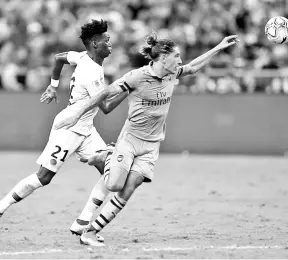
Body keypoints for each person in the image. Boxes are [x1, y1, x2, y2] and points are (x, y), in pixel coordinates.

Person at [54, 32, 240, 247]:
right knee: (114, 184)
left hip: (151, 145)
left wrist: (219, 47)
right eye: (177, 56)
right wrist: (77, 114)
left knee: (130, 187)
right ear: (163, 58)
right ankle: (107, 155)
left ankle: (92, 231)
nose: (180, 60)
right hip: (130, 140)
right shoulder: (137, 76)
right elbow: (104, 93)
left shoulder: (172, 73)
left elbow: (193, 67)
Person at [0, 20, 127, 242]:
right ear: (95, 43)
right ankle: (2, 205)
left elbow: (59, 58)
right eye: (106, 40)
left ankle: (82, 222)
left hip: (86, 130)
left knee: (110, 171)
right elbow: (105, 107)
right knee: (44, 178)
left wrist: (53, 85)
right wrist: (129, 88)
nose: (110, 43)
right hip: (68, 129)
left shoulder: (82, 56)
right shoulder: (92, 73)